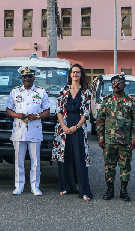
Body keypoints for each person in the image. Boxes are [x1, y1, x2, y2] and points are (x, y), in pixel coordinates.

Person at [96, 74, 135, 201]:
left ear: (124, 85)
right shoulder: (107, 101)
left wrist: (134, 138)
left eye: (119, 82)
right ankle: (110, 190)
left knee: (125, 166)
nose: (116, 84)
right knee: (109, 166)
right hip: (109, 140)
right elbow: (100, 120)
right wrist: (100, 137)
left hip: (125, 141)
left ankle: (123, 190)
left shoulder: (131, 101)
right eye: (114, 82)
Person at [6, 66, 50, 196]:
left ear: (34, 77)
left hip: (35, 129)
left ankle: (34, 186)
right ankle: (19, 185)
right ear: (21, 78)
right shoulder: (15, 92)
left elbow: (47, 111)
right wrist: (17, 115)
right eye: (25, 76)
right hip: (19, 129)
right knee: (18, 160)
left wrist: (36, 116)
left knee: (35, 160)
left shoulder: (41, 92)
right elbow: (8, 110)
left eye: (30, 76)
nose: (27, 79)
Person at [52, 64, 93, 201]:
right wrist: (63, 126)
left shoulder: (86, 92)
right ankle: (66, 187)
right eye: (73, 72)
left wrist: (77, 126)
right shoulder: (63, 90)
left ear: (81, 75)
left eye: (78, 72)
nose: (75, 74)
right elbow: (58, 110)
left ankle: (84, 190)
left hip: (78, 127)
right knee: (65, 157)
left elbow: (87, 112)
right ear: (70, 74)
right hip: (63, 127)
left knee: (80, 158)